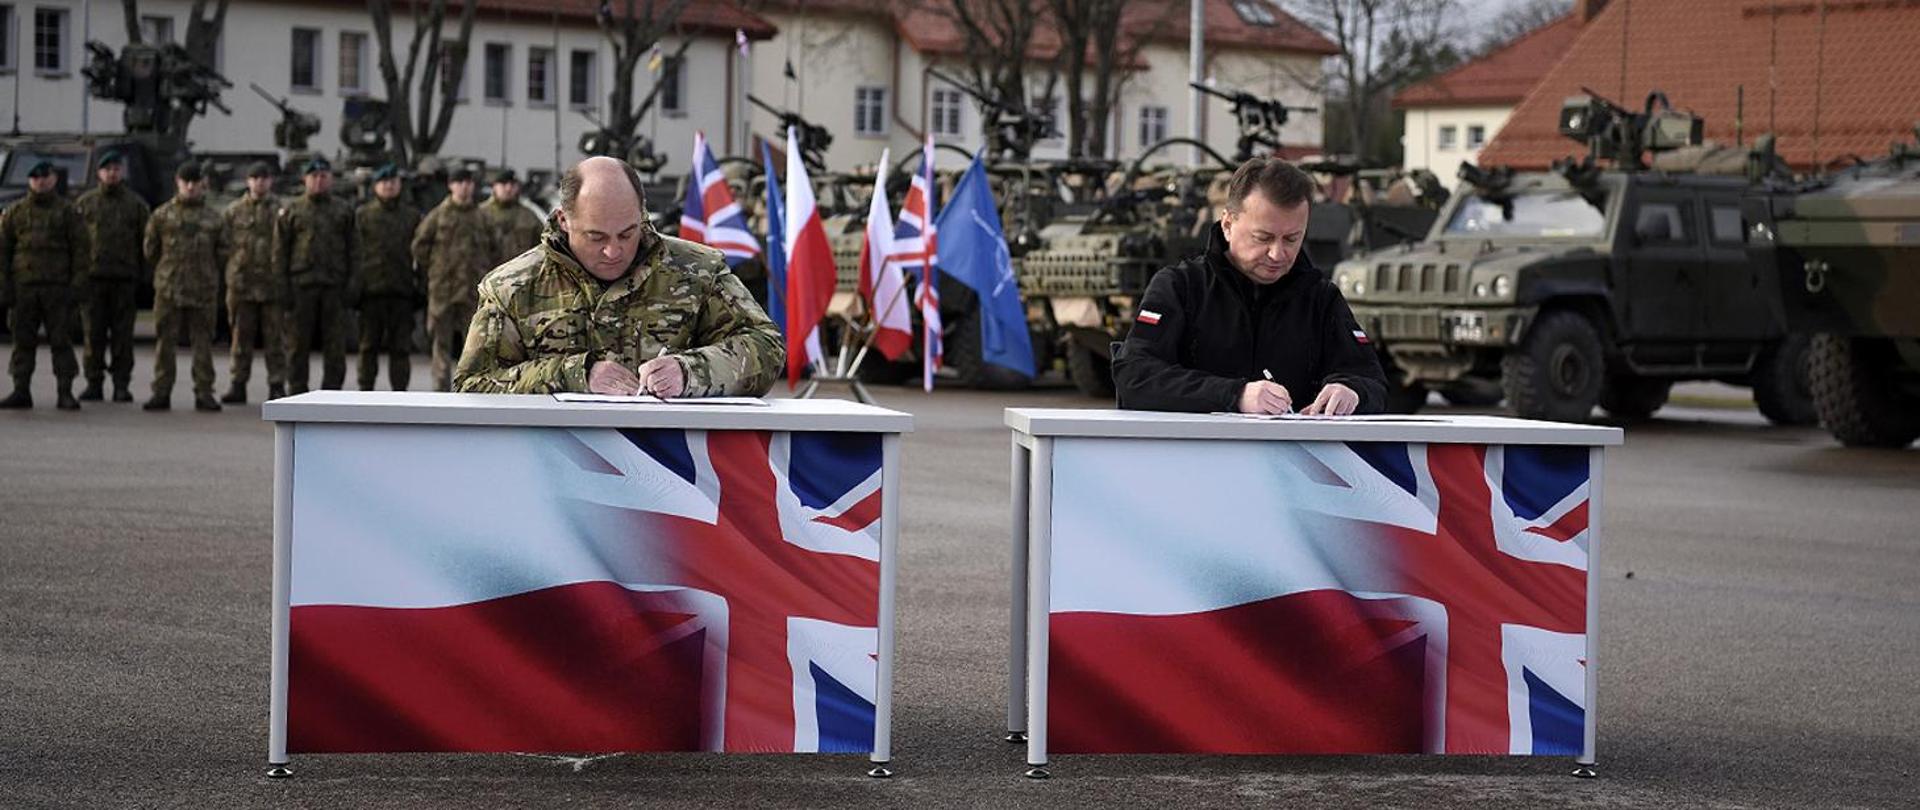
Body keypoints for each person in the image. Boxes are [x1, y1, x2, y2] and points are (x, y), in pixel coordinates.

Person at [454, 156, 782, 396]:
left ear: (642, 213)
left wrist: (691, 371)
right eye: (596, 237)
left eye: (627, 234)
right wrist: (574, 375)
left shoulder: (696, 271)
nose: (614, 251)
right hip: (551, 472)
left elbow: (766, 347)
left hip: (671, 472)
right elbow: (473, 385)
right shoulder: (512, 288)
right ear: (563, 220)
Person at [1112, 157, 1387, 415]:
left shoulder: (1320, 298)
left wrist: (1352, 391)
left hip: (1295, 462)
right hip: (1196, 459)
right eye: (1263, 237)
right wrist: (1234, 395)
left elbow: (1371, 379)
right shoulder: (1180, 288)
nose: (1277, 254)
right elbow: (1135, 377)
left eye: (1292, 239)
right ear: (1228, 224)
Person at [0, 161, 89, 410]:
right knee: (22, 341)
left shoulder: (68, 213)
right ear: (30, 180)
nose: (41, 181)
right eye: (35, 177)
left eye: (45, 177)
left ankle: (65, 391)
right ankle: (21, 389)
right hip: (24, 288)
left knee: (61, 341)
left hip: (57, 288)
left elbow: (82, 251)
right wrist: (4, 287)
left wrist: (77, 286)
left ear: (53, 179)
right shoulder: (15, 212)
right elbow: (3, 251)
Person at [144, 163, 230, 412]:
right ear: (177, 182)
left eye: (195, 181)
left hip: (202, 291)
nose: (191, 186)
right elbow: (150, 250)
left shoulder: (214, 218)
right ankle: (161, 391)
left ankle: (204, 392)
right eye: (186, 181)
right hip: (169, 289)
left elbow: (223, 252)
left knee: (203, 344)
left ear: (203, 184)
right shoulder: (162, 215)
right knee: (165, 344)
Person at [72, 149, 150, 402]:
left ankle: (121, 384)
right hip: (93, 280)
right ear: (99, 173)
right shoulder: (86, 204)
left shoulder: (136, 205)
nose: (112, 173)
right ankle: (94, 382)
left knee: (122, 337)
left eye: (116, 169)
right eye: (107, 169)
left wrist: (143, 279)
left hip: (124, 280)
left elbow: (145, 244)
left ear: (122, 172)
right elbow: (75, 243)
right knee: (93, 335)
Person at [413, 168, 500, 391]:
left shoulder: (482, 217)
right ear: (451, 185)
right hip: (444, 290)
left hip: (473, 292)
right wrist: (436, 270)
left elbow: (495, 250)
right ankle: (441, 391)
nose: (464, 186)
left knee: (474, 344)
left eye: (468, 182)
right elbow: (419, 246)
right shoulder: (438, 215)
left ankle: (469, 388)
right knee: (440, 344)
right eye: (459, 182)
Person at [276, 157, 354, 393]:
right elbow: (280, 252)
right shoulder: (292, 210)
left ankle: (332, 392)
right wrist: (282, 289)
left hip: (333, 287)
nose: (319, 181)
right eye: (314, 177)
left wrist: (353, 285)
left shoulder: (343, 210)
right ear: (305, 180)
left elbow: (355, 250)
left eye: (323, 176)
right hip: (301, 286)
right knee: (297, 344)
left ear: (330, 179)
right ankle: (297, 390)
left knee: (335, 345)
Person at [351, 164, 423, 391]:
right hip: (371, 292)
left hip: (401, 291)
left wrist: (419, 286)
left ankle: (399, 393)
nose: (389, 186)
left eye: (393, 182)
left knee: (400, 348)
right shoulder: (363, 215)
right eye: (384, 182)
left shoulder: (411, 216)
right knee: (367, 346)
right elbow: (353, 252)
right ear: (375, 186)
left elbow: (420, 254)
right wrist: (355, 287)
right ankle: (365, 391)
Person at [222, 162, 289, 403]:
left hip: (272, 285)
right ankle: (238, 384)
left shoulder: (282, 211)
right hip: (243, 285)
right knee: (241, 339)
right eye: (255, 178)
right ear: (248, 181)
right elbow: (222, 246)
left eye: (264, 178)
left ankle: (277, 384)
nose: (260, 182)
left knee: (275, 340)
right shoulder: (234, 211)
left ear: (270, 181)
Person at [481, 169, 544, 265]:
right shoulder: (481, 214)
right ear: (494, 187)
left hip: (520, 273)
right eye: (504, 185)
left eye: (512, 185)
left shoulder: (528, 216)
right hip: (489, 275)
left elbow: (542, 246)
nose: (508, 189)